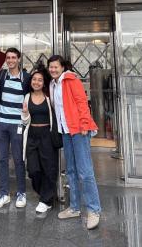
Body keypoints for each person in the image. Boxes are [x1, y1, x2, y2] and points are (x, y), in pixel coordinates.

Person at [48, 55, 102, 230]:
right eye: (51, 67)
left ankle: (94, 210)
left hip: (79, 130)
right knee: (71, 170)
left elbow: (81, 102)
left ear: (63, 67)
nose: (53, 69)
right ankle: (75, 208)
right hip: (65, 131)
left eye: (56, 67)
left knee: (85, 172)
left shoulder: (71, 80)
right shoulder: (53, 84)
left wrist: (85, 123)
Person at [0, 48, 31, 210]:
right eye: (8, 58)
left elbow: (33, 93)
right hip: (1, 123)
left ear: (19, 59)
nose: (11, 60)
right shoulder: (1, 75)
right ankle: (4, 194)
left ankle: (21, 192)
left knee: (19, 159)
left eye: (13, 57)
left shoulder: (26, 78)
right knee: (2, 160)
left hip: (17, 125)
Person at [20, 67, 61, 213]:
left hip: (47, 136)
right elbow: (25, 122)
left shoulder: (49, 98)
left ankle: (46, 200)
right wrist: (25, 113)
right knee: (33, 170)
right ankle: (44, 193)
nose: (36, 82)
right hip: (31, 135)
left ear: (44, 83)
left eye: (40, 80)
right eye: (34, 79)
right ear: (31, 81)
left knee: (49, 169)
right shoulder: (26, 97)